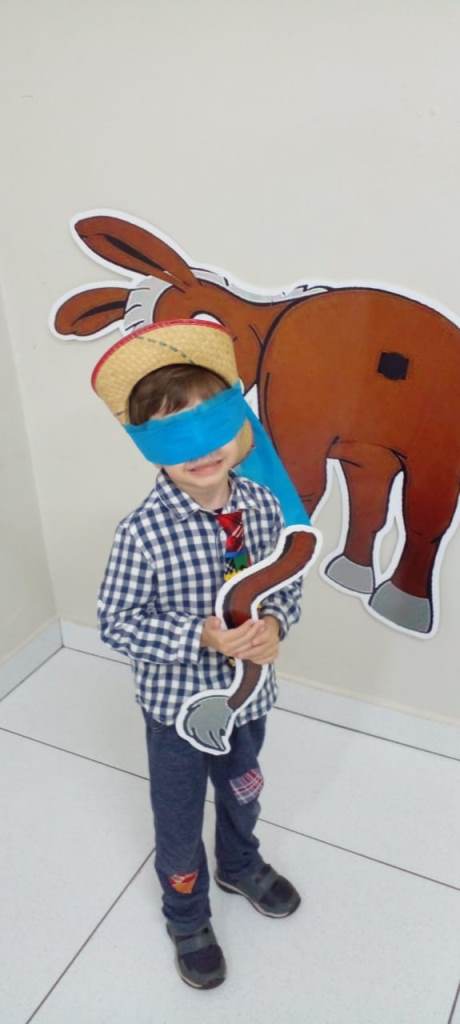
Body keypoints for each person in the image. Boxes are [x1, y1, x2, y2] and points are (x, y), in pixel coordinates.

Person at [94, 320, 305, 990]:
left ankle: (238, 863)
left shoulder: (264, 507)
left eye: (207, 424)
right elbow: (115, 623)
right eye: (172, 432)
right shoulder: (141, 534)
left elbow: (284, 585)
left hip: (249, 700)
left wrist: (275, 625)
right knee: (180, 816)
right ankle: (186, 912)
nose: (199, 449)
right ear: (148, 446)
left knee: (243, 791)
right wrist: (201, 636)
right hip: (177, 711)